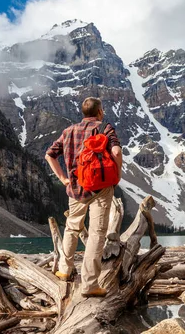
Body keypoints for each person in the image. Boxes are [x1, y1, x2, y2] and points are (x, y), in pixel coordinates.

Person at [45, 97, 122, 297]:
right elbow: (116, 151)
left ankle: (64, 270)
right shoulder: (105, 128)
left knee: (72, 226)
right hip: (101, 188)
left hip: (75, 188)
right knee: (97, 233)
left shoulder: (68, 131)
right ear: (100, 111)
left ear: (83, 112)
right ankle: (89, 285)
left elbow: (50, 155)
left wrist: (63, 178)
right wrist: (117, 173)